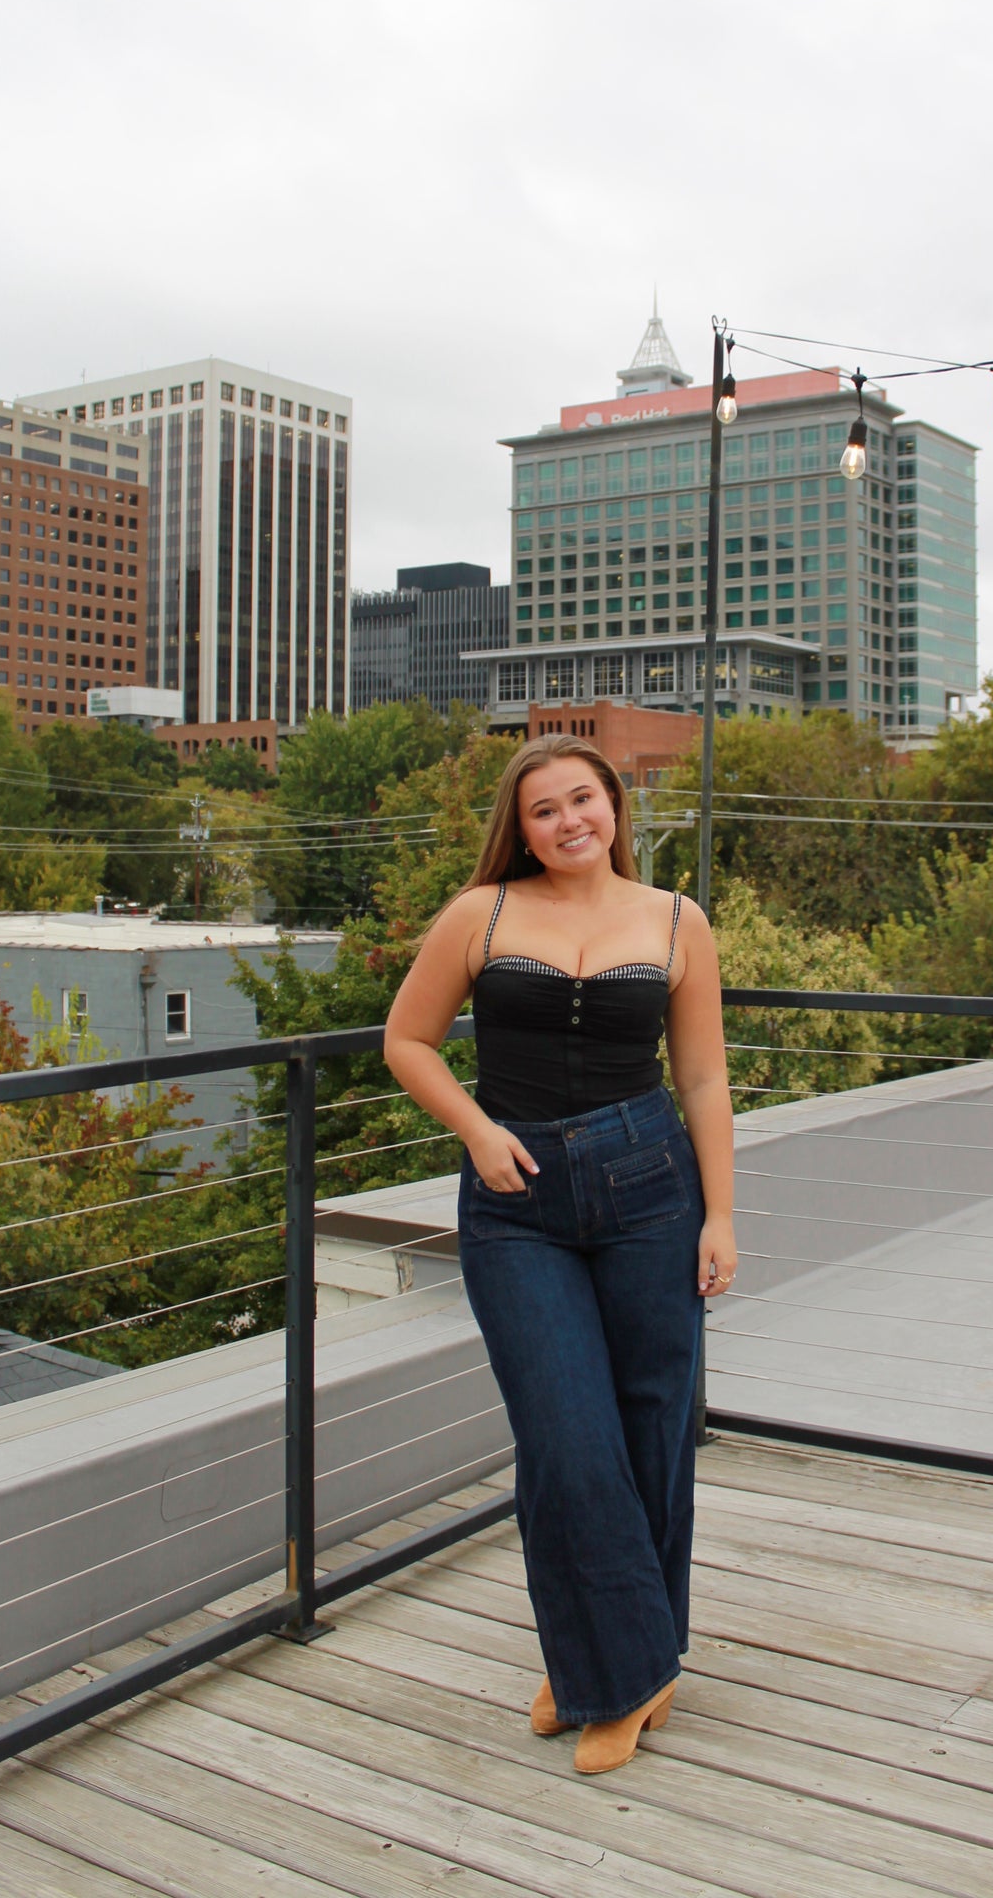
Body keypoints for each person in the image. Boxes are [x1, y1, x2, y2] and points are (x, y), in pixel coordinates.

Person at [384, 734, 735, 1774]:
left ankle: (611, 1662)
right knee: (564, 1436)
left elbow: (705, 1079)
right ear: (520, 825)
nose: (567, 819)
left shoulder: (678, 921)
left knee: (649, 1428)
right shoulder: (478, 913)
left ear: (614, 804)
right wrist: (477, 1130)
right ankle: (620, 1671)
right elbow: (406, 1039)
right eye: (543, 808)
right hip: (514, 1196)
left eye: (582, 798)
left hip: (647, 1189)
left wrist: (720, 1215)